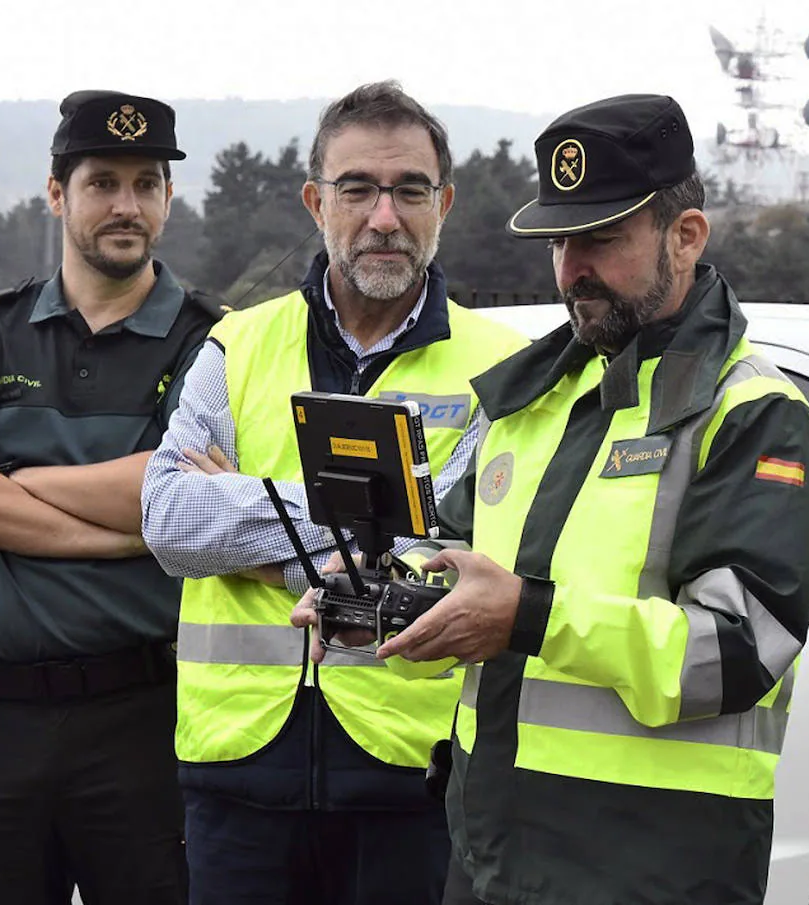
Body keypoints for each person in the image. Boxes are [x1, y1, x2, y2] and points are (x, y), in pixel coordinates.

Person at [294, 93, 809, 905]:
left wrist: (526, 615)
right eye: (560, 239)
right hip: (489, 858)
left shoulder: (757, 418)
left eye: (602, 237)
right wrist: (384, 592)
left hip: (652, 868)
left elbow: (731, 657)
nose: (572, 266)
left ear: (686, 236)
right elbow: (455, 555)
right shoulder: (535, 398)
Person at [141, 80, 528, 905]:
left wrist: (250, 525)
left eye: (409, 190)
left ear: (444, 204)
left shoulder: (500, 368)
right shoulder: (237, 342)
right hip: (234, 775)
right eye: (357, 188)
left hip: (407, 779)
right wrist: (370, 517)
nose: (383, 217)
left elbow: (456, 559)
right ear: (316, 200)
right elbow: (170, 519)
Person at [0, 90, 220, 905]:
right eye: (102, 182)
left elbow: (186, 492)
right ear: (57, 193)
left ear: (169, 199)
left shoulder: (214, 341)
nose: (125, 205)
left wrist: (20, 482)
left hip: (147, 720)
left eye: (146, 183)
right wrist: (132, 531)